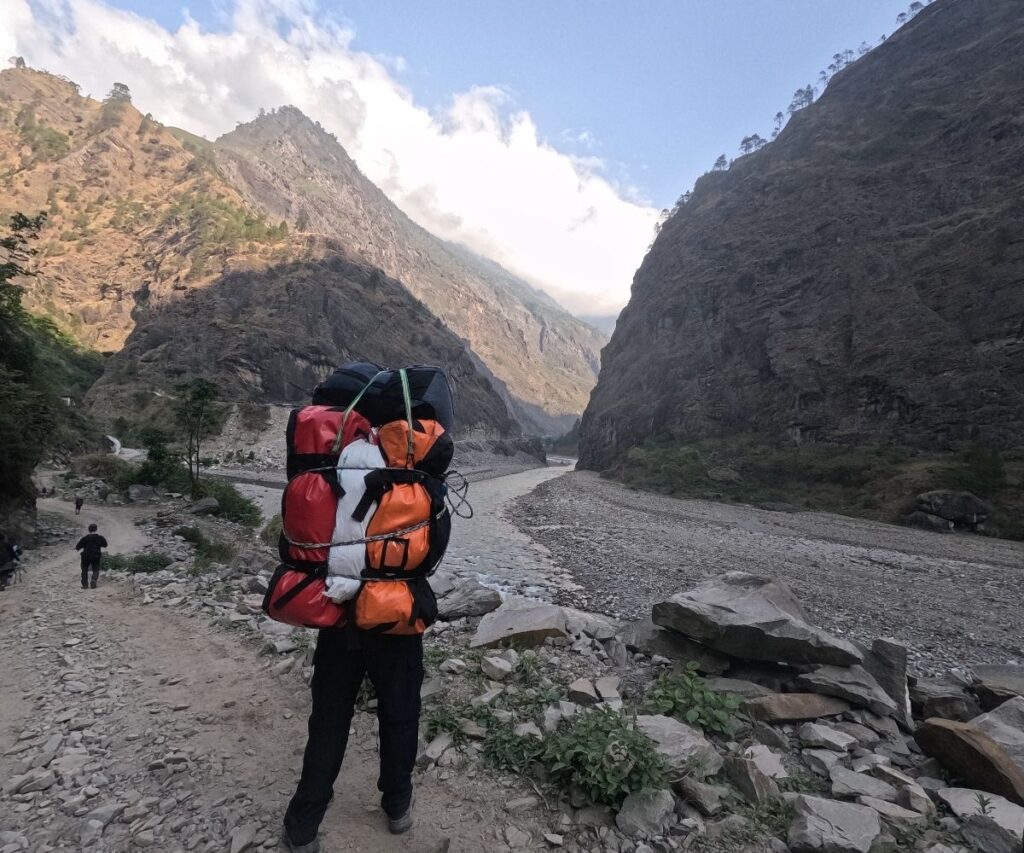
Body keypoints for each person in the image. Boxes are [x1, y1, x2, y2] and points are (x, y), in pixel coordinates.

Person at [281, 627, 423, 852]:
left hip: (341, 625)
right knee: (400, 716)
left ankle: (303, 826)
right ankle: (397, 804)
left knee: (329, 723)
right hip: (397, 622)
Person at [75, 523, 107, 590]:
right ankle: (93, 580)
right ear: (96, 529)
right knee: (96, 569)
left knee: (84, 570)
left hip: (86, 556)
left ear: (88, 530)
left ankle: (85, 585)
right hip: (96, 555)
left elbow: (77, 547)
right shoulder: (100, 538)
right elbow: (105, 545)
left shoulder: (85, 538)